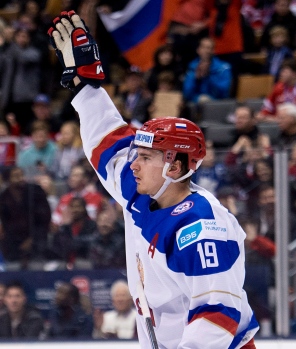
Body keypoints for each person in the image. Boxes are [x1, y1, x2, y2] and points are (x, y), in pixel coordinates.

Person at [49, 12, 258, 348]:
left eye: (145, 157)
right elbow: (110, 146)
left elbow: (216, 319)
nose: (134, 164)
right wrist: (87, 88)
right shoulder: (142, 193)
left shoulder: (202, 227)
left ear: (174, 167)